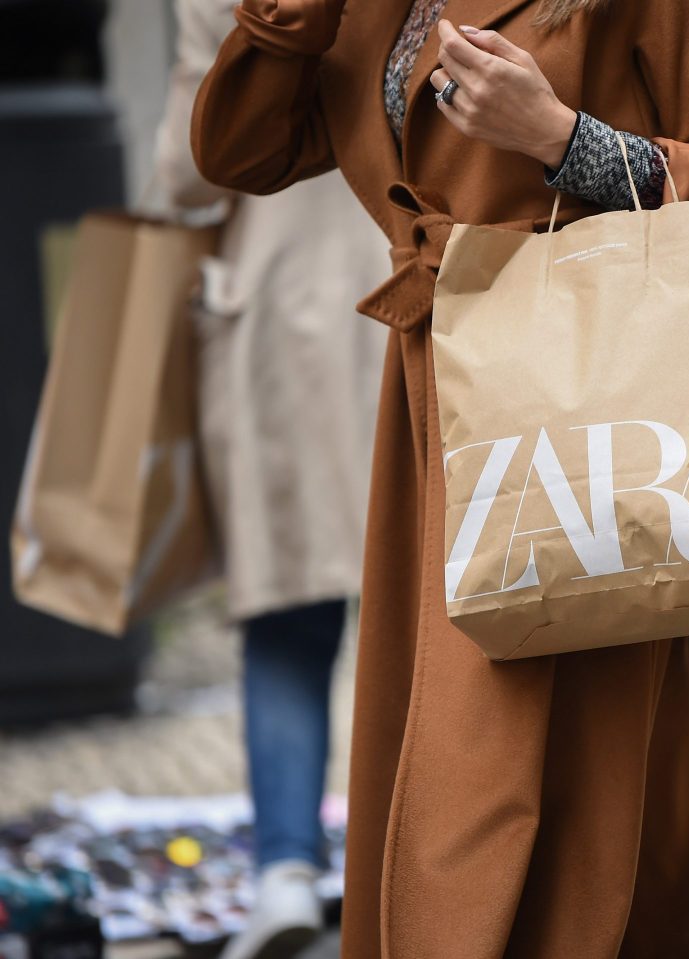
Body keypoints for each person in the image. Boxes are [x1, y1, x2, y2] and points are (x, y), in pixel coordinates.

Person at [189, 1, 689, 956]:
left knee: (572, 817)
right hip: (442, 417)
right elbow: (239, 153)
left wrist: (562, 139)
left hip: (593, 418)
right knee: (449, 785)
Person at [150, 1, 391, 956]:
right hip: (413, 277)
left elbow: (188, 170)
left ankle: (286, 872)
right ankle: (407, 861)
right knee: (428, 611)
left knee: (287, 611)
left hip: (277, 308)